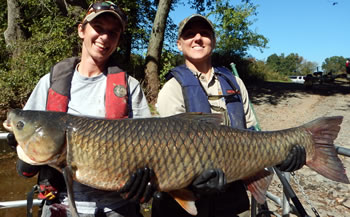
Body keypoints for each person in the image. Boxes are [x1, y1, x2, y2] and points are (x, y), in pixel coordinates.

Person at [8, 1, 155, 217]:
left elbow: (150, 144)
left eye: (113, 33)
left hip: (117, 208)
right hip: (59, 204)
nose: (104, 37)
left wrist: (147, 180)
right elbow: (30, 136)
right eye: (98, 28)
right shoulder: (50, 82)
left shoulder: (129, 86)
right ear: (81, 30)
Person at [153, 14, 306, 217]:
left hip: (233, 193)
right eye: (189, 34)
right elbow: (167, 152)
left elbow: (252, 134)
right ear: (179, 44)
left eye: (205, 34)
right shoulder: (171, 89)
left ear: (213, 42)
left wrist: (283, 155)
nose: (197, 38)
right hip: (190, 197)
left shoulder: (234, 82)